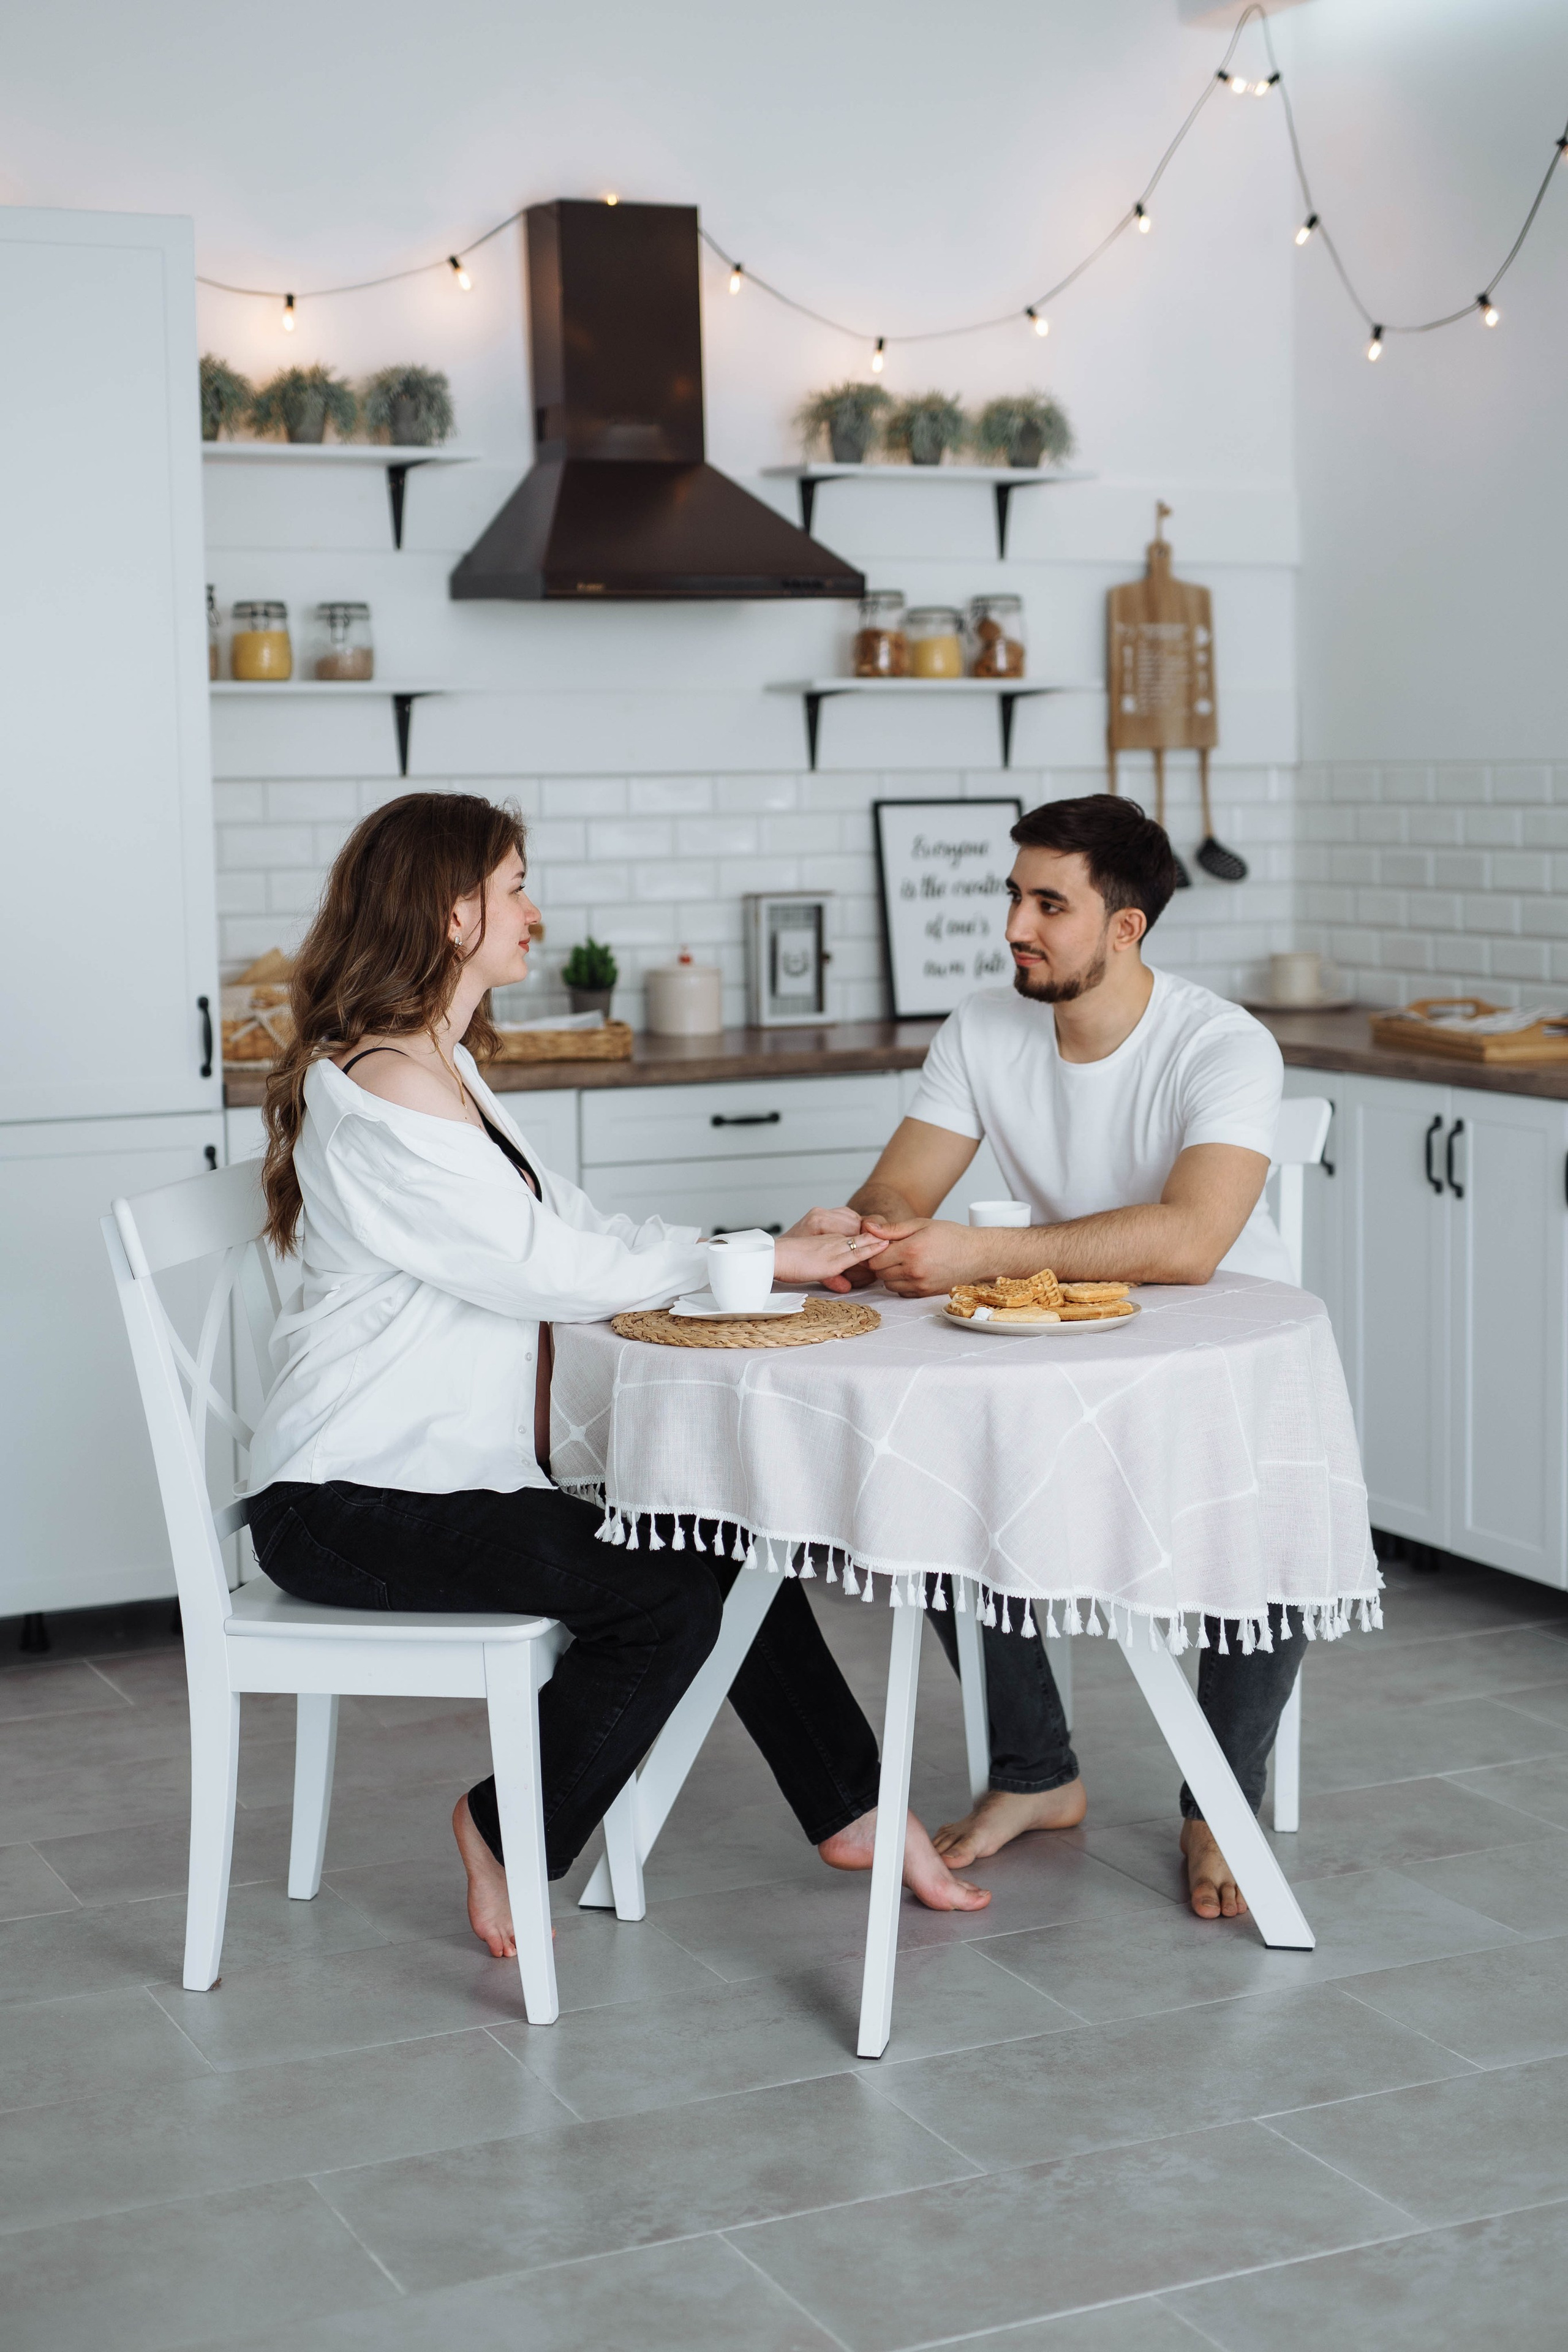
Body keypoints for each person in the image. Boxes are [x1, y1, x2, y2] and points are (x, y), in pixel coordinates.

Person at [246, 791, 986, 1964]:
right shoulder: (388, 1091)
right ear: (452, 915)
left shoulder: (436, 1068)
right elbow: (546, 1266)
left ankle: (851, 1807)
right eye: (517, 887)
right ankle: (503, 1829)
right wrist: (758, 1259)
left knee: (716, 1537)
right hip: (347, 1503)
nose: (537, 913)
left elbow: (575, 1226)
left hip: (434, 1480)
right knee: (663, 1600)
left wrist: (757, 1249)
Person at [815, 793, 1300, 1922]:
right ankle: (1040, 1775)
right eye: (1013, 897)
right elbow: (900, 1185)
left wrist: (975, 1249)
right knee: (935, 1483)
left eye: (1049, 904)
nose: (1014, 927)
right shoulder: (985, 1028)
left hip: (1219, 1361)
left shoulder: (1223, 1044)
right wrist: (871, 1227)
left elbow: (1190, 1239)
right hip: (1057, 1350)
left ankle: (1217, 1803)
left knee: (1265, 1533)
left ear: (1123, 930)